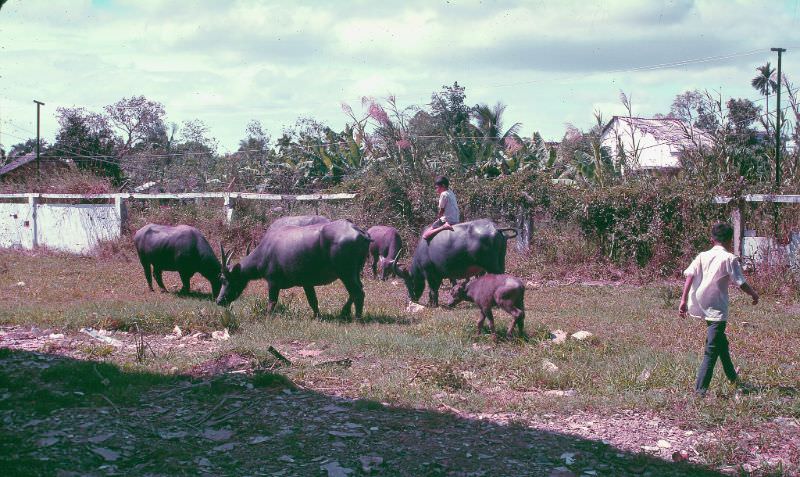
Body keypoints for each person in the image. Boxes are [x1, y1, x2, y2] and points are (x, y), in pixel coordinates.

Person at [679, 222, 759, 397]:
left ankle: (732, 377)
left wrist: (683, 299)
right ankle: (700, 391)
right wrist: (754, 295)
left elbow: (689, 275)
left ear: (712, 239)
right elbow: (741, 283)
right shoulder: (729, 258)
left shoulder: (702, 255)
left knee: (721, 343)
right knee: (712, 349)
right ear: (731, 240)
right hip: (716, 309)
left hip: (701, 303)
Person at [422, 176, 460, 240]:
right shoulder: (450, 192)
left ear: (443, 186)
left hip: (448, 220)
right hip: (456, 219)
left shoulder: (443, 194)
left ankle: (444, 227)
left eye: (437, 188)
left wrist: (438, 218)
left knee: (425, 236)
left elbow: (441, 210)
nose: (436, 190)